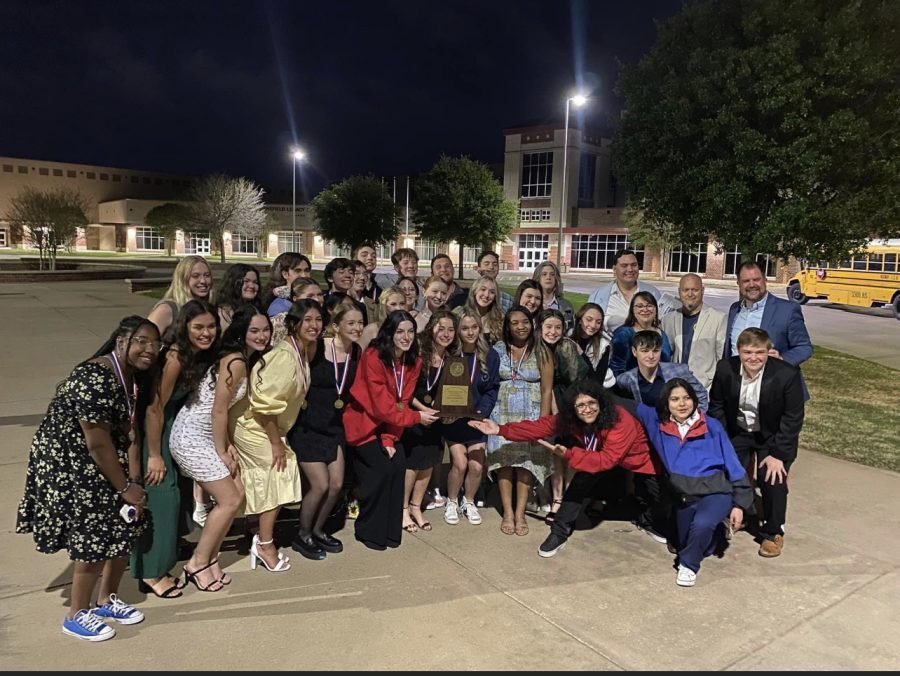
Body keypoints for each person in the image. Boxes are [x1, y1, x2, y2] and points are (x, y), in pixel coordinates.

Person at [17, 316, 159, 641]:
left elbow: (129, 432)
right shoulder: (94, 376)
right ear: (121, 341)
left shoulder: (131, 378)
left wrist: (134, 483)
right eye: (141, 341)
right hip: (70, 460)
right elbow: (96, 442)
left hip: (104, 455)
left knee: (128, 522)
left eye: (154, 343)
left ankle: (106, 599)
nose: (149, 349)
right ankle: (76, 614)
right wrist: (123, 486)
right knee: (93, 532)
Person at [469, 380, 657, 559]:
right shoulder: (572, 419)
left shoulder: (620, 421)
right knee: (577, 487)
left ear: (601, 402)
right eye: (580, 405)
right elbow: (540, 427)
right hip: (597, 455)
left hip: (640, 459)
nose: (587, 409)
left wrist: (569, 454)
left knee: (661, 498)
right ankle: (559, 532)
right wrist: (500, 430)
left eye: (591, 402)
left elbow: (607, 460)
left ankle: (648, 520)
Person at [169, 306, 269, 591]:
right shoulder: (235, 360)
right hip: (191, 437)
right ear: (241, 332)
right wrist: (222, 450)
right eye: (254, 330)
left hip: (208, 435)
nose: (262, 336)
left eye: (265, 330)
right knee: (228, 500)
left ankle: (211, 559)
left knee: (237, 496)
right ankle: (197, 563)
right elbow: (218, 410)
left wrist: (226, 444)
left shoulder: (244, 359)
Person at [131, 299, 218, 598]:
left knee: (174, 497)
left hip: (175, 428)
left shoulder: (197, 355)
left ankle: (161, 564)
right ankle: (151, 573)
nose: (206, 333)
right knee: (161, 497)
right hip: (156, 430)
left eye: (211, 326)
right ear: (185, 327)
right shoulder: (176, 357)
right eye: (198, 327)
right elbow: (154, 409)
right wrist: (154, 455)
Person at [635, 379, 751, 587]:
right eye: (675, 399)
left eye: (687, 398)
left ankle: (688, 566)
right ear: (666, 403)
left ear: (695, 400)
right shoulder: (658, 423)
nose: (682, 404)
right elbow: (628, 405)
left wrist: (739, 504)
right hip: (684, 496)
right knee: (689, 542)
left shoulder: (711, 426)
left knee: (702, 525)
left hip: (716, 491)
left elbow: (734, 466)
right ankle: (715, 535)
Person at [233, 300, 318, 572]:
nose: (314, 325)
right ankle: (264, 543)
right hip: (254, 424)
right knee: (280, 469)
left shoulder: (301, 351)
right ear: (294, 324)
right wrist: (275, 443)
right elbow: (265, 405)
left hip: (270, 425)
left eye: (318, 320)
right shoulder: (285, 357)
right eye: (307, 320)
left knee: (274, 474)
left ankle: (257, 529)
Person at [342, 310, 439, 550]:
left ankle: (389, 530)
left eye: (410, 332)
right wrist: (417, 417)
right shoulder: (374, 356)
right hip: (363, 424)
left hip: (389, 424)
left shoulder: (412, 360)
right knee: (381, 470)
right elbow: (381, 404)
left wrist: (389, 438)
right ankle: (368, 530)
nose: (406, 337)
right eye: (400, 332)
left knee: (398, 467)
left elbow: (401, 401)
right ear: (389, 333)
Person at [708, 327, 805, 558]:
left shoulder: (786, 374)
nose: (753, 358)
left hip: (772, 435)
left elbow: (792, 418)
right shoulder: (725, 368)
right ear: (738, 351)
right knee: (730, 472)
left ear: (768, 351)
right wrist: (721, 443)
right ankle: (734, 516)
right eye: (747, 352)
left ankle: (774, 531)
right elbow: (717, 406)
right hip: (739, 430)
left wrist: (778, 455)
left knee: (771, 477)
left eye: (759, 352)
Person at [287, 304, 363, 560]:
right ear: (336, 326)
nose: (356, 328)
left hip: (335, 427)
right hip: (309, 426)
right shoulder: (316, 348)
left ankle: (318, 530)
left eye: (360, 323)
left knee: (337, 485)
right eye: (350, 323)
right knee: (320, 485)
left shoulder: (357, 352)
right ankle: (302, 534)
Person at [486, 305, 554, 537]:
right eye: (514, 322)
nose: (520, 326)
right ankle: (507, 512)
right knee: (504, 462)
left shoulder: (542, 351)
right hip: (501, 411)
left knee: (526, 463)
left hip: (531, 412)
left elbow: (547, 390)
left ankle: (520, 513)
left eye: (524, 321)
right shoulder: (497, 349)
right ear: (507, 326)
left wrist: (543, 424)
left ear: (531, 324)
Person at [442, 308, 500, 525]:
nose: (470, 332)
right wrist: (447, 412)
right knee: (459, 463)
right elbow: (442, 388)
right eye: (464, 328)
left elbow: (492, 389)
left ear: (480, 328)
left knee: (476, 465)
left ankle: (469, 501)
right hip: (454, 420)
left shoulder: (490, 355)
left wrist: (482, 412)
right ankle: (451, 501)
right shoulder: (450, 355)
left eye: (474, 327)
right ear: (458, 330)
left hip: (477, 419)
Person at [403, 309, 458, 531]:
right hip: (415, 415)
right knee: (412, 465)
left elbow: (455, 392)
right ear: (431, 328)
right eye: (441, 328)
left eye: (451, 329)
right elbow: (405, 389)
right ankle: (403, 509)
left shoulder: (452, 360)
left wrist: (451, 411)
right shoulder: (417, 353)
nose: (446, 333)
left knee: (428, 464)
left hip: (435, 419)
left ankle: (417, 506)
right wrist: (422, 410)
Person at [724, 262, 813, 395]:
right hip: (738, 388)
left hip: (775, 389)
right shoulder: (734, 309)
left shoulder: (787, 310)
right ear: (738, 283)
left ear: (765, 280)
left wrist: (781, 359)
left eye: (756, 279)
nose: (752, 284)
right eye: (746, 281)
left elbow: (804, 347)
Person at [538, 308, 590, 523]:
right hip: (552, 399)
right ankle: (557, 498)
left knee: (571, 451)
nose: (553, 331)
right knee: (556, 453)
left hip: (571, 401)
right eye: (548, 327)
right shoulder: (538, 348)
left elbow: (576, 381)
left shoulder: (566, 347)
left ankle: (568, 498)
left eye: (557, 327)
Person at [661, 273, 727, 391]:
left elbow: (721, 358)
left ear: (702, 290)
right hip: (675, 388)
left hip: (705, 389)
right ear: (679, 292)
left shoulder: (718, 318)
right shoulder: (668, 320)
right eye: (685, 290)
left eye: (694, 290)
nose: (690, 294)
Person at [616, 330, 708, 410]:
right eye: (645, 351)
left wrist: (694, 422)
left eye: (655, 351)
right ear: (634, 352)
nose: (651, 356)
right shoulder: (625, 380)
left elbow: (701, 395)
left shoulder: (679, 371)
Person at [587, 249, 660, 339]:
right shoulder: (598, 296)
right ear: (614, 269)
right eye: (624, 265)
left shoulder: (653, 293)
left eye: (634, 265)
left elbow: (661, 323)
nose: (630, 269)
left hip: (647, 349)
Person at [147, 255, 213, 345]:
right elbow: (146, 341)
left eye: (207, 275)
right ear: (183, 279)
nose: (203, 281)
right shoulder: (167, 309)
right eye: (195, 276)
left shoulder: (209, 309)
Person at [609, 292, 673, 376]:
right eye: (640, 306)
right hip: (629, 386)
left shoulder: (662, 334)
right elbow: (616, 369)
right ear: (632, 309)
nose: (645, 309)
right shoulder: (623, 334)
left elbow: (666, 364)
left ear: (656, 309)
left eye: (649, 306)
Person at [571, 303, 614, 389]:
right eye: (589, 319)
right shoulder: (568, 336)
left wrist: (582, 354)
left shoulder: (604, 346)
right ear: (579, 320)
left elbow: (597, 382)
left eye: (598, 322)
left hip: (591, 388)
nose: (593, 325)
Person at [456, 276, 504, 345]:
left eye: (492, 292)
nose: (487, 295)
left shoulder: (500, 318)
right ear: (475, 290)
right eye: (483, 289)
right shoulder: (460, 314)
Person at [215, 263, 262, 332]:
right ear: (233, 283)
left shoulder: (258, 310)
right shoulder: (223, 314)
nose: (252, 286)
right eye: (246, 281)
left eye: (255, 282)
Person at [533, 260, 575, 332]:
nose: (548, 277)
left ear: (556, 279)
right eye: (544, 274)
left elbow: (572, 332)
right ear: (537, 278)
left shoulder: (566, 306)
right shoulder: (531, 304)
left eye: (552, 274)